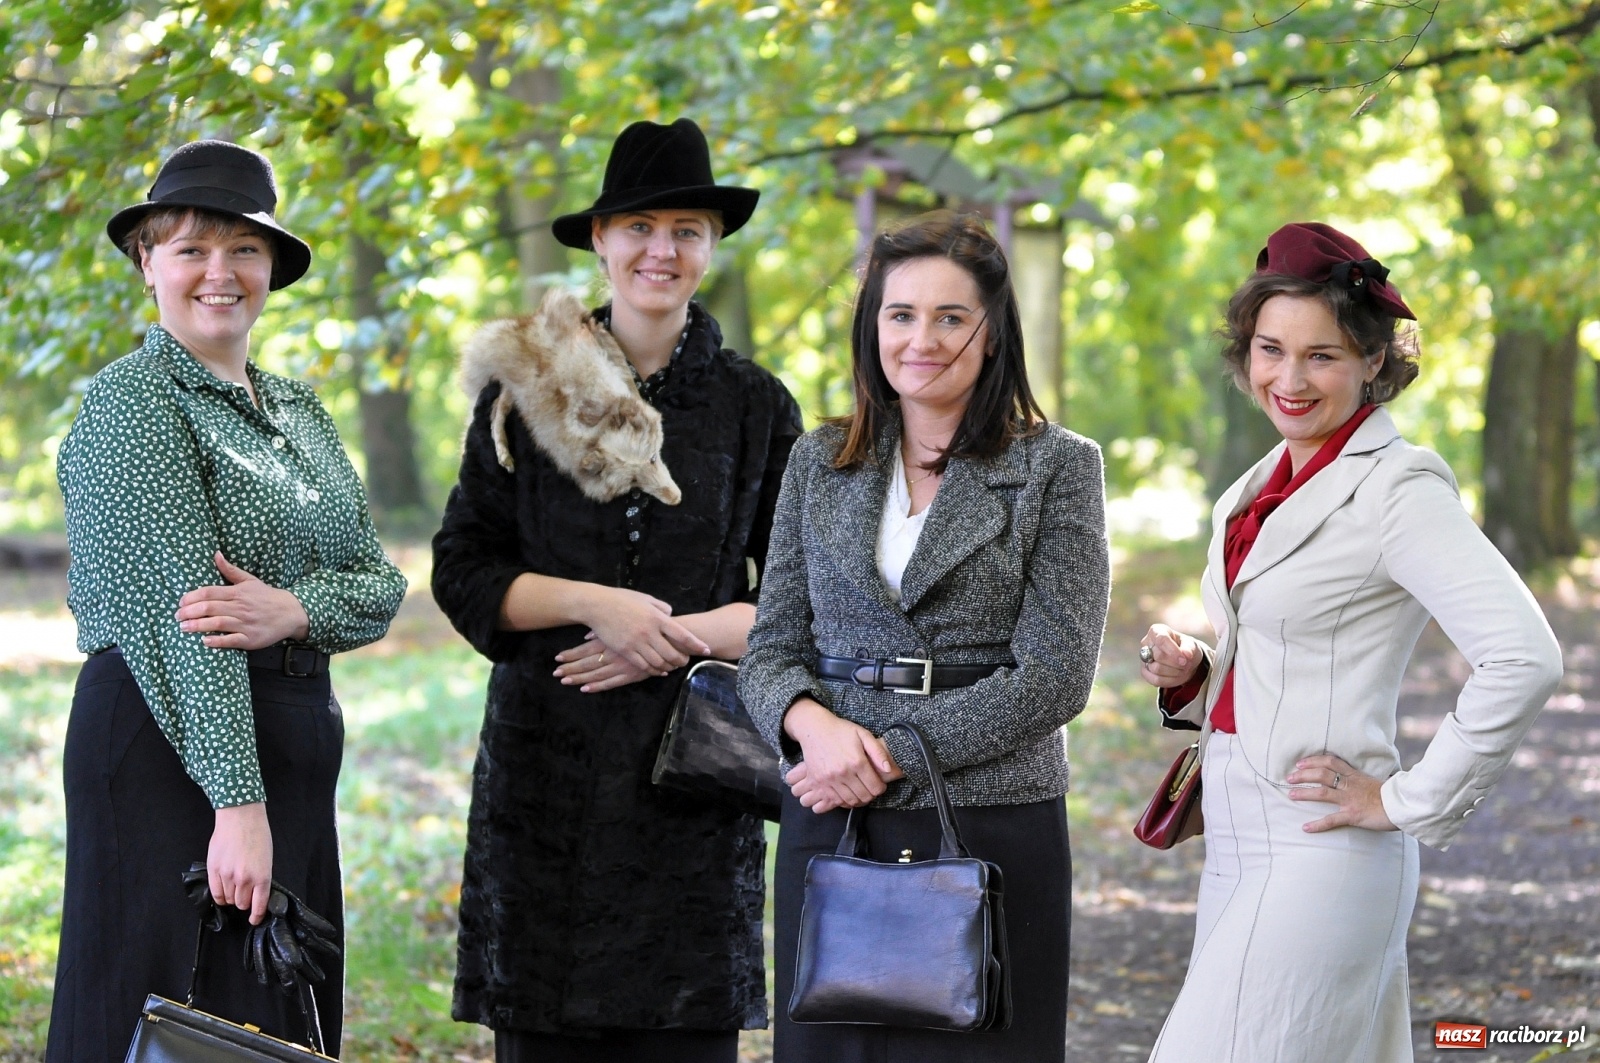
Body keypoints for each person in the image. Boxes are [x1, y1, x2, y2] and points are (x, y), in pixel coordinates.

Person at [1138, 222, 1563, 1063]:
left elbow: (1525, 657)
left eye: (1322, 356)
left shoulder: (1398, 488)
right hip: (1234, 844)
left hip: (1322, 850)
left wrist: (1405, 800)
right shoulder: (1257, 486)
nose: (1290, 379)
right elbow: (1295, 647)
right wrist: (1198, 669)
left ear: (1372, 359)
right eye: (1271, 350)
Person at [431, 117, 803, 1063]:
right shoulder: (525, 389)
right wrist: (596, 604)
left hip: (695, 784)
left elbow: (802, 600)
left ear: (712, 247)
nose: (660, 250)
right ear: (599, 239)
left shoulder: (756, 405)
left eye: (686, 230)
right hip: (542, 791)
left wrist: (672, 635)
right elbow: (463, 569)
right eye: (639, 227)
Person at [48, 140, 407, 1061]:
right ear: (148, 263)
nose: (221, 272)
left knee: (275, 1031)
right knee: (166, 1025)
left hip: (291, 746)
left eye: (244, 248)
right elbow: (188, 621)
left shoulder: (299, 411)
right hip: (174, 744)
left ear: (272, 267)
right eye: (192, 249)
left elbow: (379, 583)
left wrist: (295, 611)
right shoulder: (135, 401)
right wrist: (236, 803)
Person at [739, 210, 1110, 1063]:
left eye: (951, 317)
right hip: (832, 811)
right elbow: (771, 648)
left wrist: (888, 753)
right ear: (873, 327)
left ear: (992, 331)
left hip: (989, 815)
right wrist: (810, 725)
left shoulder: (1058, 466)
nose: (922, 339)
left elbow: (1055, 676)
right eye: (901, 314)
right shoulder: (819, 460)